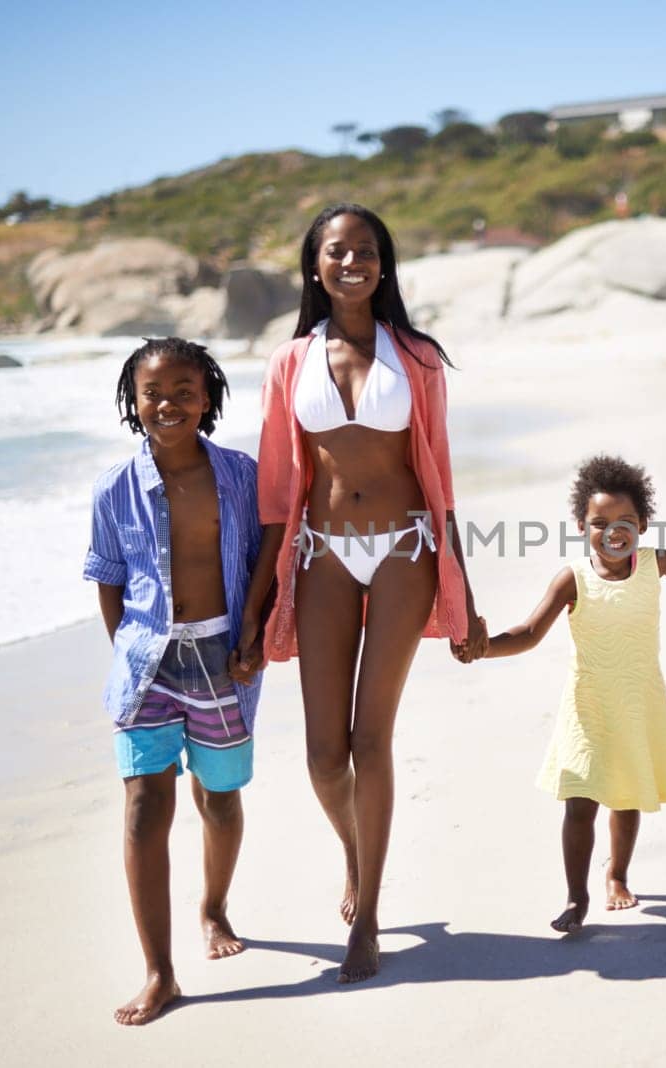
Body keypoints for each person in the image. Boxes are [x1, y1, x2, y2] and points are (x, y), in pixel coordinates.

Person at [235, 204, 488, 983]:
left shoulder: (417, 357)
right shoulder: (289, 361)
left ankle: (370, 914)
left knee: (369, 740)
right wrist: (252, 614)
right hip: (321, 553)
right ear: (315, 266)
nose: (353, 262)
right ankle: (354, 850)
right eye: (337, 252)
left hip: (406, 549)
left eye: (367, 251)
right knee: (321, 755)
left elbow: (439, 477)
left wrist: (466, 595)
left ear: (384, 264)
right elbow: (278, 492)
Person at [483, 455, 666, 932]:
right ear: (581, 526)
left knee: (627, 795)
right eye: (600, 523)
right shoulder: (573, 578)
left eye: (626, 522)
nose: (613, 532)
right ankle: (576, 898)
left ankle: (617, 875)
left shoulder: (655, 564)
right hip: (587, 709)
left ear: (644, 524)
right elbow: (529, 632)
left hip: (638, 703)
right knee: (579, 803)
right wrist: (481, 648)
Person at [83, 338, 263, 1025]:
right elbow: (108, 579)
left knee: (218, 798)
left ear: (208, 398)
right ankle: (160, 973)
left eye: (185, 390)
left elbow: (265, 558)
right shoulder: (113, 487)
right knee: (142, 809)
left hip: (222, 657)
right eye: (153, 392)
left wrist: (255, 636)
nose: (168, 403)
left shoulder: (241, 476)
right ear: (133, 401)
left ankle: (214, 907)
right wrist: (128, 656)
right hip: (146, 664)